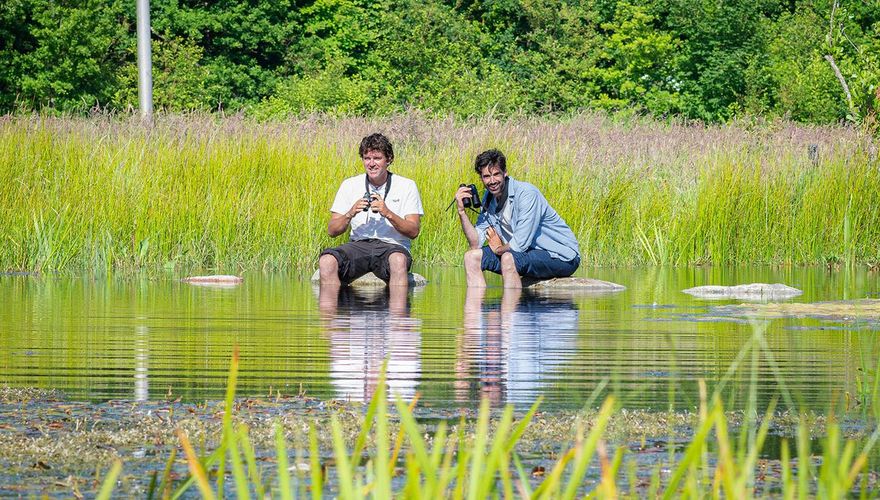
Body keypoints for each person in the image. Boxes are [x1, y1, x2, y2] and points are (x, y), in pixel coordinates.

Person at [455, 149, 580, 288]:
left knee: (508, 258)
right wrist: (461, 212)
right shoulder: (488, 198)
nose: (492, 181)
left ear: (505, 173)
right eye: (486, 176)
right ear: (481, 178)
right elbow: (475, 243)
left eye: (496, 174)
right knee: (471, 258)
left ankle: (511, 309)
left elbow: (519, 245)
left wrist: (497, 249)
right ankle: (476, 308)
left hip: (561, 256)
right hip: (525, 255)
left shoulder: (527, 194)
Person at [319, 133, 423, 289]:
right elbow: (332, 230)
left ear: (389, 160)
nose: (371, 164)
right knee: (327, 260)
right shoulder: (349, 184)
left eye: (377, 158)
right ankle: (335, 312)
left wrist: (388, 213)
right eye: (367, 158)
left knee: (398, 260)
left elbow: (413, 231)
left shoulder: (406, 185)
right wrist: (350, 213)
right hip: (359, 244)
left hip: (393, 246)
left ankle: (398, 313)